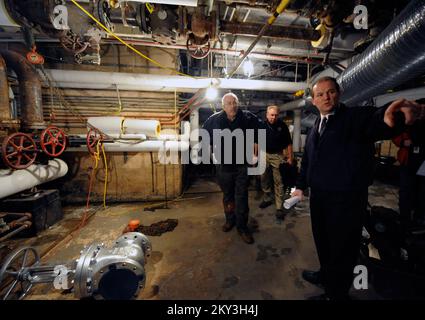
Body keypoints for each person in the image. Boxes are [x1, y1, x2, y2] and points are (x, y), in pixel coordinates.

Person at [292, 76, 423, 300]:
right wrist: (300, 186)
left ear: (339, 94)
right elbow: (308, 161)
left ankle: (336, 294)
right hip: (321, 198)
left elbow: (376, 120)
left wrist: (391, 118)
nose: (326, 97)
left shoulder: (353, 118)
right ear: (314, 101)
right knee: (322, 240)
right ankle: (326, 275)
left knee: (342, 249)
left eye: (331, 91)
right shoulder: (317, 125)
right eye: (321, 94)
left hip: (346, 201)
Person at [202, 92, 260, 244]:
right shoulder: (213, 120)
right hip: (224, 166)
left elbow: (259, 131)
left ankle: (242, 227)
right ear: (223, 106)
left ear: (238, 103)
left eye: (234, 102)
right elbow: (204, 137)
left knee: (241, 196)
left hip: (242, 165)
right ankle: (230, 220)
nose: (232, 106)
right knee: (228, 195)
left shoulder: (247, 118)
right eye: (229, 103)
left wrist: (256, 146)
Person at [259, 105, 293, 220]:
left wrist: (290, 157)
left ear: (278, 115)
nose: (273, 117)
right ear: (267, 115)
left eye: (275, 115)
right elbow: (255, 141)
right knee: (263, 177)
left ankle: (279, 207)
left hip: (277, 155)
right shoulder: (261, 125)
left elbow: (288, 143)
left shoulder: (282, 126)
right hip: (264, 154)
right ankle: (267, 197)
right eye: (271, 115)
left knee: (278, 181)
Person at [392, 117, 425, 226]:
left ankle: (419, 217)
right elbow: (395, 135)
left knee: (422, 192)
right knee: (406, 191)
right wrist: (402, 142)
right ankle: (404, 218)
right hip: (407, 162)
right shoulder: (406, 122)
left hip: (423, 164)